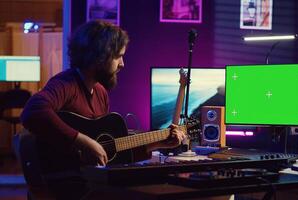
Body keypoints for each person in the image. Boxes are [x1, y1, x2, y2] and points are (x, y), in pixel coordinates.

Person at [20, 20, 185, 199]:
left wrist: (160, 143)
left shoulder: (100, 92)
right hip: (64, 184)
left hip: (91, 183)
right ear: (99, 56)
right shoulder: (65, 84)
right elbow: (33, 112)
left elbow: (112, 152)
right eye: (118, 56)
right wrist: (84, 142)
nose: (122, 64)